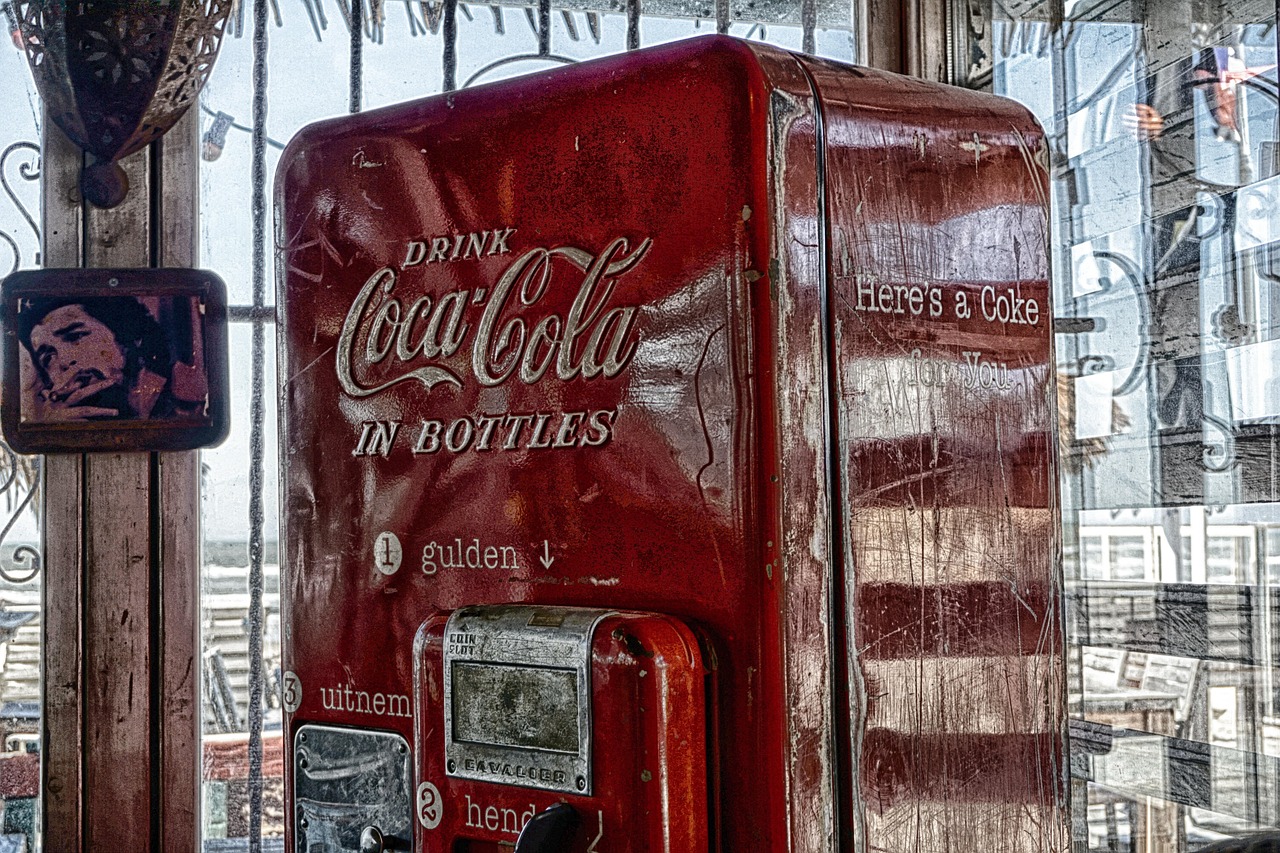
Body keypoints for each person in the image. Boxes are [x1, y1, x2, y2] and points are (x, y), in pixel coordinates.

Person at [15, 295, 205, 422]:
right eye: (48, 357)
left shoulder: (187, 405)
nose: (64, 361)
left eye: (76, 336)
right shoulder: (57, 417)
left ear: (125, 336)